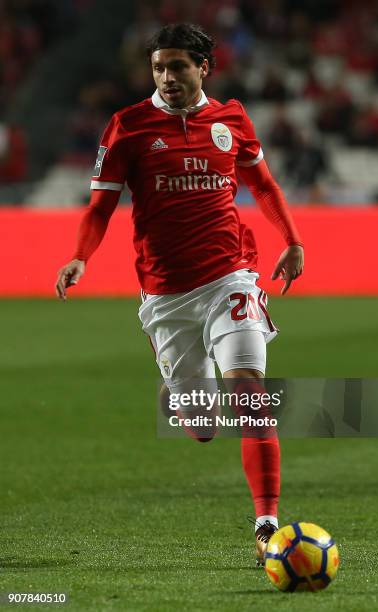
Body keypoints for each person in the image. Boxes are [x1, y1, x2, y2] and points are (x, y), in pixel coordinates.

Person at [55, 23, 304, 566]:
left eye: (178, 66)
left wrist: (291, 239)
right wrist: (80, 256)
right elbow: (100, 207)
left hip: (230, 276)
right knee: (202, 427)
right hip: (166, 292)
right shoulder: (129, 126)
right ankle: (179, 382)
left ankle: (267, 524)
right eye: (159, 67)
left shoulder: (231, 119)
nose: (168, 76)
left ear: (203, 68)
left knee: (250, 395)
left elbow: (262, 184)